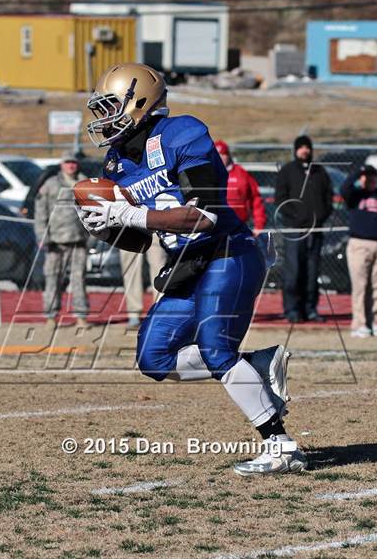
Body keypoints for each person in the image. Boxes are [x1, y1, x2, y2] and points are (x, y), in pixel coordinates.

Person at [76, 62, 307, 475]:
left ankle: (280, 444)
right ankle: (254, 364)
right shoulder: (117, 162)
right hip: (188, 265)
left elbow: (206, 216)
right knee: (154, 358)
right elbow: (140, 238)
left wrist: (128, 216)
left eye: (111, 106)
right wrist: (104, 226)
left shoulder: (182, 134)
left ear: (139, 102)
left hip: (227, 253)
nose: (104, 117)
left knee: (216, 350)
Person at [275, 135, 333, 323]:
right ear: (295, 150)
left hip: (315, 232)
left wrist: (321, 216)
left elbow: (328, 198)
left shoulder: (319, 172)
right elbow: (281, 199)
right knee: (293, 272)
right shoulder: (287, 171)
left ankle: (310, 309)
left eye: (307, 147)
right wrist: (295, 218)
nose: (304, 150)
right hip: (295, 231)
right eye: (301, 147)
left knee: (312, 272)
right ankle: (292, 309)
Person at [34, 151, 89, 329]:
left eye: (73, 162)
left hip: (78, 242)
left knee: (79, 280)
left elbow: (94, 212)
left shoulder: (85, 183)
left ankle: (81, 316)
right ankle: (51, 316)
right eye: (67, 162)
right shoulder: (50, 184)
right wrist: (42, 236)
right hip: (55, 243)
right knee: (52, 279)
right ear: (61, 164)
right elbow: (40, 212)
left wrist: (93, 237)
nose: (71, 165)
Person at [340, 165, 377, 338]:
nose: (370, 180)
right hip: (359, 245)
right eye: (367, 177)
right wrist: (359, 172)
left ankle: (373, 321)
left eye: (373, 177)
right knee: (360, 286)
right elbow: (344, 188)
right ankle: (359, 324)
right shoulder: (355, 195)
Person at [214, 140, 267, 233]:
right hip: (215, 227)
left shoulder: (241, 174)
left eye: (223, 154)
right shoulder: (209, 174)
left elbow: (256, 199)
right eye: (217, 155)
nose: (220, 158)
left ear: (228, 155)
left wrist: (259, 225)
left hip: (239, 226)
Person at [120, 240, 167, 328]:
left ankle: (160, 312)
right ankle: (134, 314)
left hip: (155, 229)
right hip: (128, 230)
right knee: (131, 271)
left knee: (160, 270)